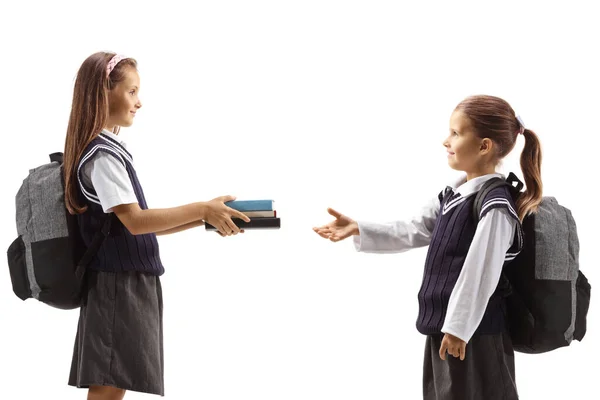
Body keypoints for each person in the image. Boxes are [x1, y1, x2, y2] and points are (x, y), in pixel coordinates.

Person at [313, 95, 543, 399]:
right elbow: (415, 228)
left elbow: (480, 272)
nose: (446, 141)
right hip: (445, 327)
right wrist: (360, 228)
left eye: (456, 133)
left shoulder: (495, 206)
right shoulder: (454, 194)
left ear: (484, 146)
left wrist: (459, 328)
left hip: (473, 331)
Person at [63, 51, 250, 399]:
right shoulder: (102, 156)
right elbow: (135, 222)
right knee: (108, 386)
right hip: (117, 285)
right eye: (132, 91)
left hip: (125, 283)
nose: (139, 102)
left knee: (113, 384)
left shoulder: (108, 151)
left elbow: (137, 225)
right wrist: (200, 209)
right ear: (105, 90)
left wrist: (204, 216)